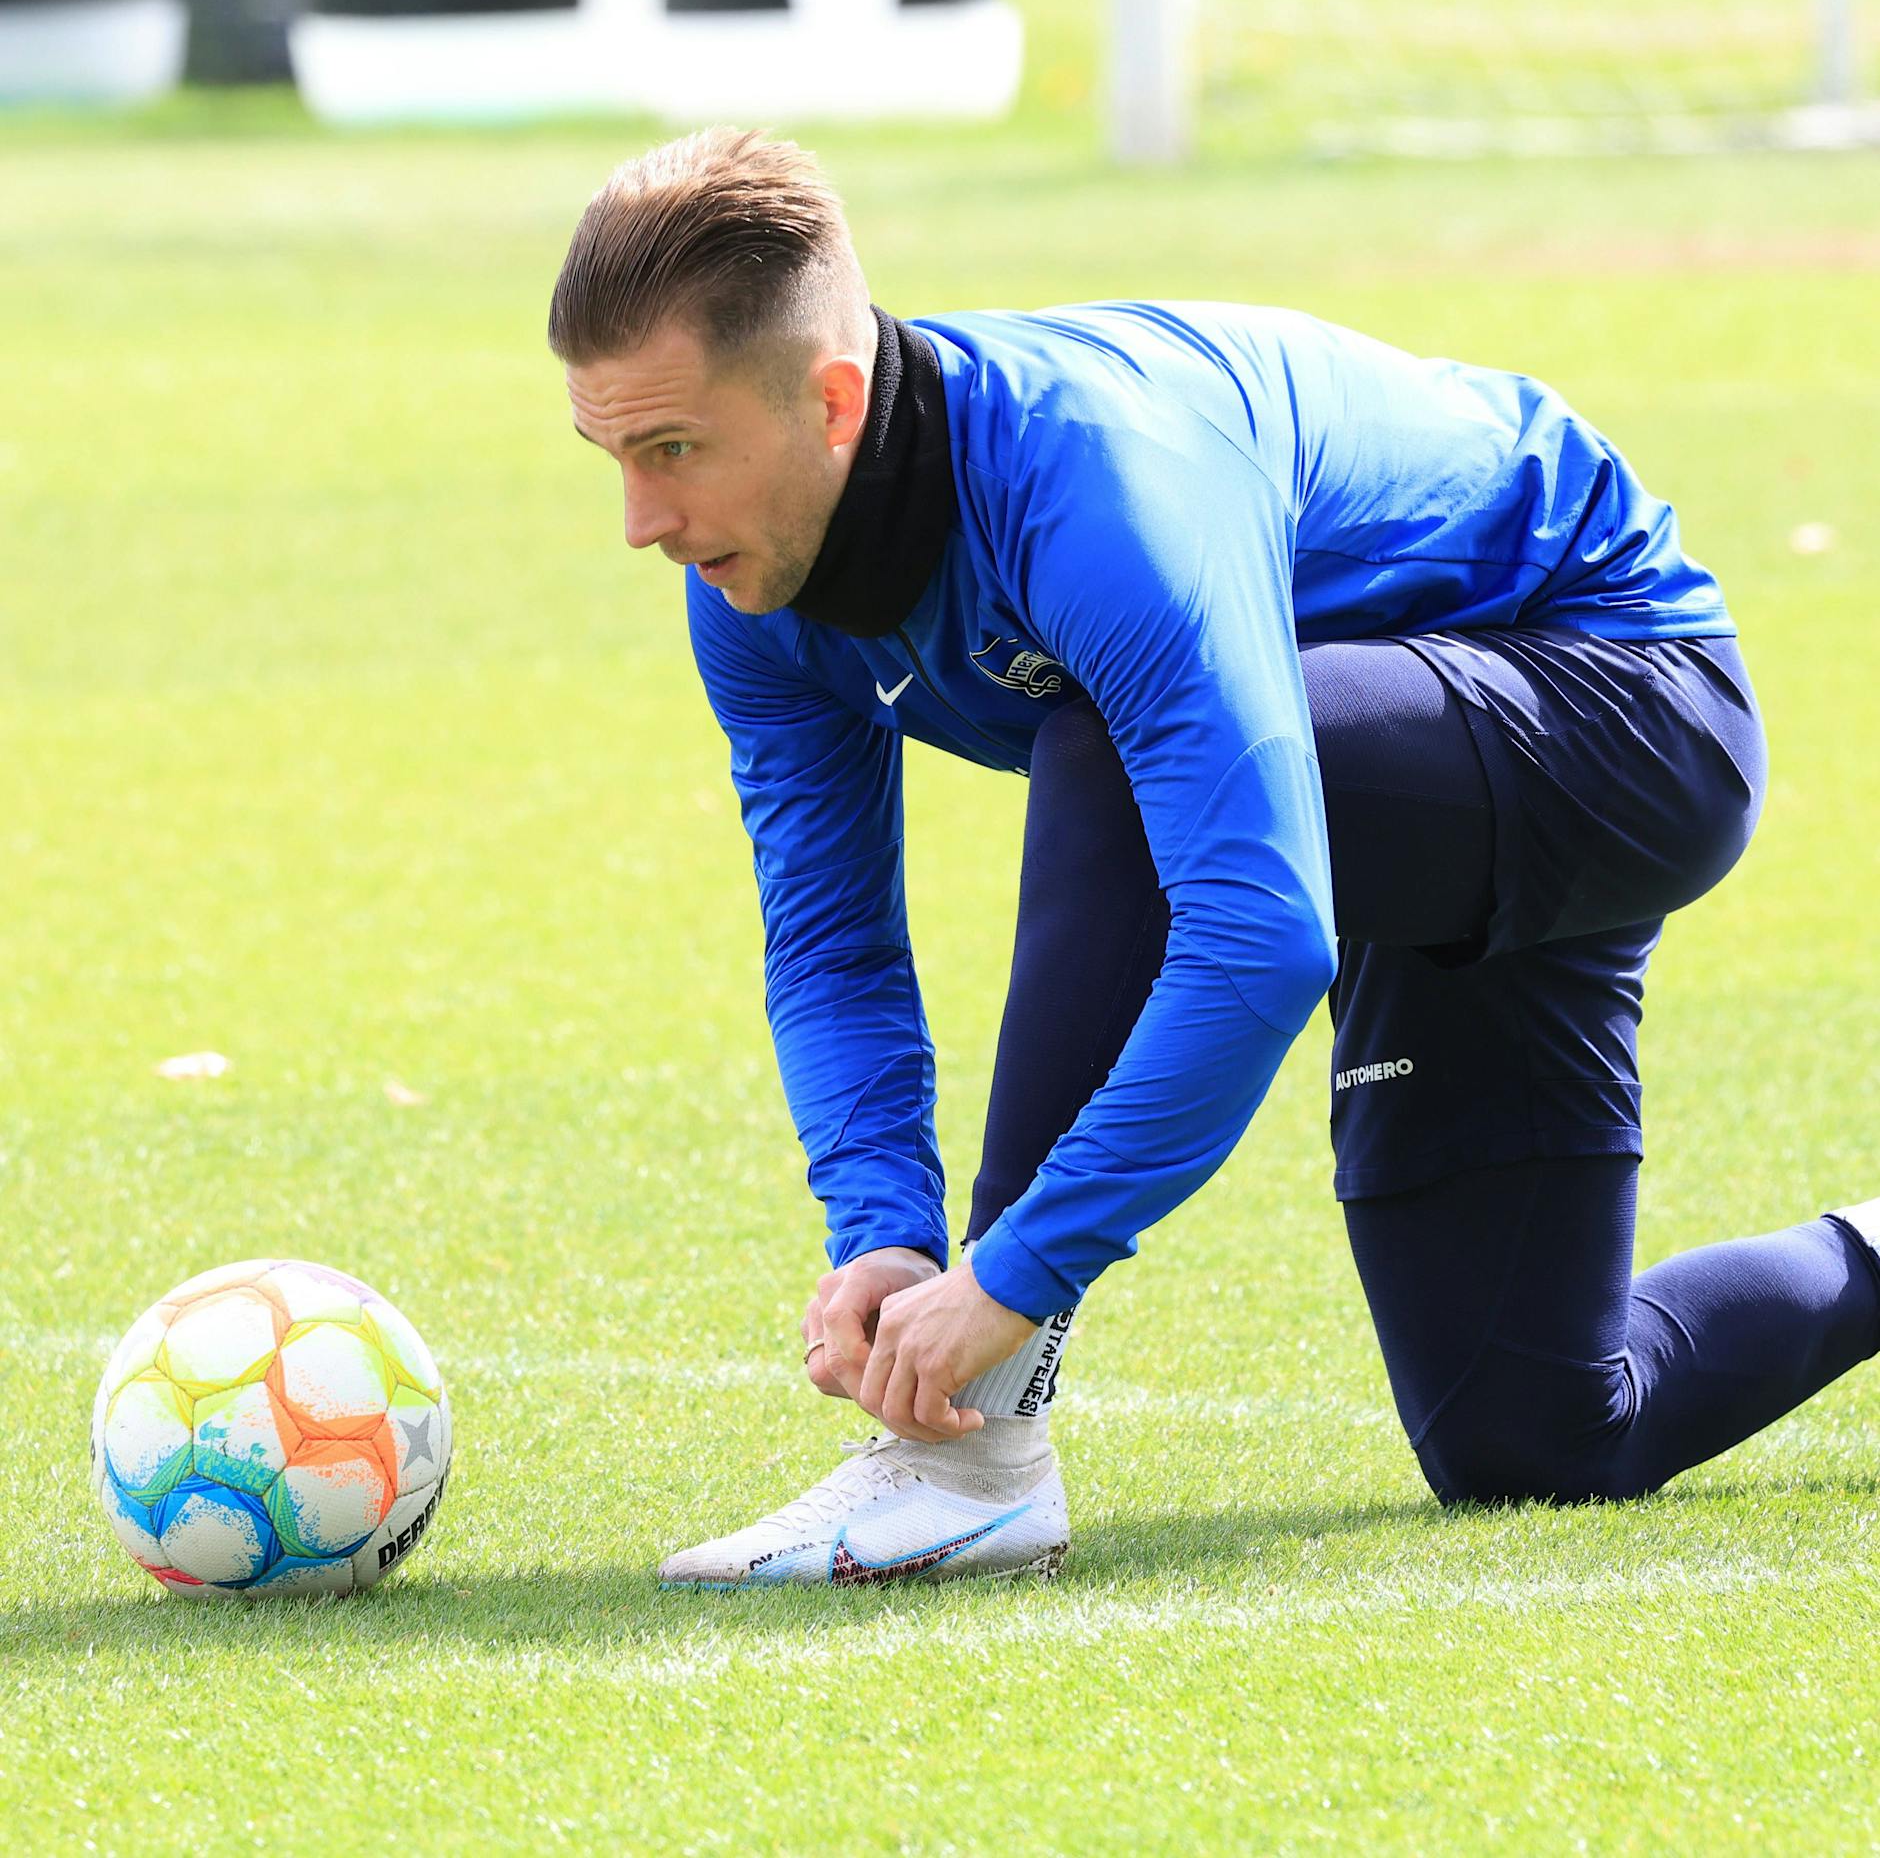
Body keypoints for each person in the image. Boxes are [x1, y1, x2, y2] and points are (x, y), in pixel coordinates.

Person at [549, 127, 1877, 1589]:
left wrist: (1013, 1280)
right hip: (1396, 784)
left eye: (673, 450)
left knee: (1100, 745)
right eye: (611, 454)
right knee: (1536, 1439)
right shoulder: (746, 590)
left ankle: (969, 1456)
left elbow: (1259, 936)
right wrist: (890, 1240)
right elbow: (831, 946)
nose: (641, 522)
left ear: (835, 401)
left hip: (1622, 706)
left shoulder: (1096, 487)